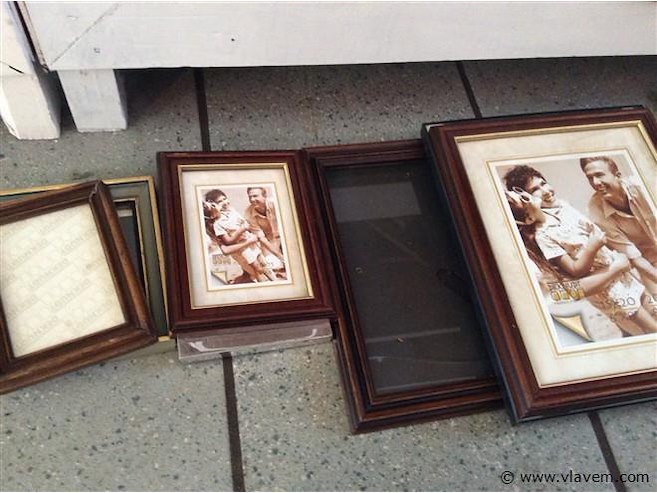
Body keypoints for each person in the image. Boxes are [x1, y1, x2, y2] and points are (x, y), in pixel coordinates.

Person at [504, 165, 657, 335]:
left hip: (620, 273)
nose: (545, 191)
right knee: (649, 329)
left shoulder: (562, 207)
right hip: (608, 289)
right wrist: (599, 252)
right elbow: (573, 283)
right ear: (526, 214)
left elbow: (590, 232)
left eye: (543, 183)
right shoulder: (541, 238)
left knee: (652, 309)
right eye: (534, 191)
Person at [580, 156, 657, 288]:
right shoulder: (596, 211)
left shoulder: (644, 185)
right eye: (590, 178)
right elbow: (635, 258)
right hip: (650, 266)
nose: (595, 182)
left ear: (618, 175)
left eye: (599, 175)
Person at [203, 189, 276, 283]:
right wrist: (242, 230)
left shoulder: (231, 211)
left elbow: (241, 222)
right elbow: (227, 243)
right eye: (219, 202)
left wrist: (248, 229)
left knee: (264, 263)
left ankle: (274, 281)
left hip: (250, 241)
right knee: (258, 269)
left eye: (224, 199)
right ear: (213, 207)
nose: (224, 202)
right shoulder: (217, 224)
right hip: (243, 248)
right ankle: (264, 283)